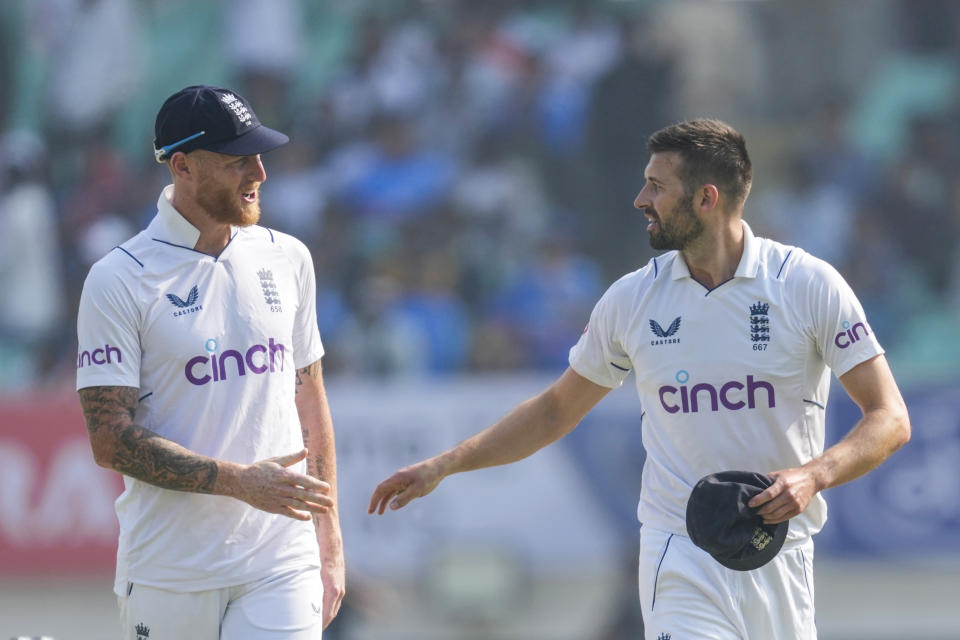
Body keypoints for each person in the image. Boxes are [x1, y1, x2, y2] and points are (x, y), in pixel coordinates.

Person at [369, 118, 911, 639]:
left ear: (706, 198)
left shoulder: (807, 285)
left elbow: (889, 418)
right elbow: (557, 410)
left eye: (656, 186)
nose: (640, 200)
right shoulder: (632, 298)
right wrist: (445, 464)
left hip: (781, 555)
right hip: (678, 552)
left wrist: (814, 475)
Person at [76, 85, 345, 639]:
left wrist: (330, 538)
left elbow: (310, 401)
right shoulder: (118, 279)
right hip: (169, 571)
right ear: (183, 165)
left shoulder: (288, 256)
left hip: (280, 561)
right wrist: (240, 482)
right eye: (237, 160)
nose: (260, 173)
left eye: (260, 155)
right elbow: (109, 440)